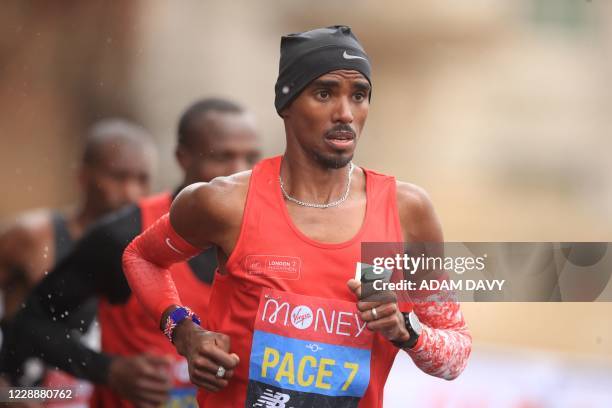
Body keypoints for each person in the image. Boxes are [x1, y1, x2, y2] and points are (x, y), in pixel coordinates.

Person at [123, 26, 472, 408]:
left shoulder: (407, 211)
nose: (345, 113)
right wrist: (185, 333)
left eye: (359, 95)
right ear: (286, 103)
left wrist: (406, 330)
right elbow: (141, 257)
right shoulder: (224, 202)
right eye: (324, 93)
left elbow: (455, 352)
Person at [13, 98, 261, 408]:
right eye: (222, 157)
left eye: (250, 157)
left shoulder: (268, 239)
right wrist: (110, 371)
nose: (237, 172)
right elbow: (30, 323)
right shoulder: (124, 234)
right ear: (183, 158)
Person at [0, 118, 157, 401]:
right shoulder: (33, 237)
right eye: (118, 177)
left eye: (142, 179)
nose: (131, 192)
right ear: (84, 177)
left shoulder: (148, 248)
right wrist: (8, 394)